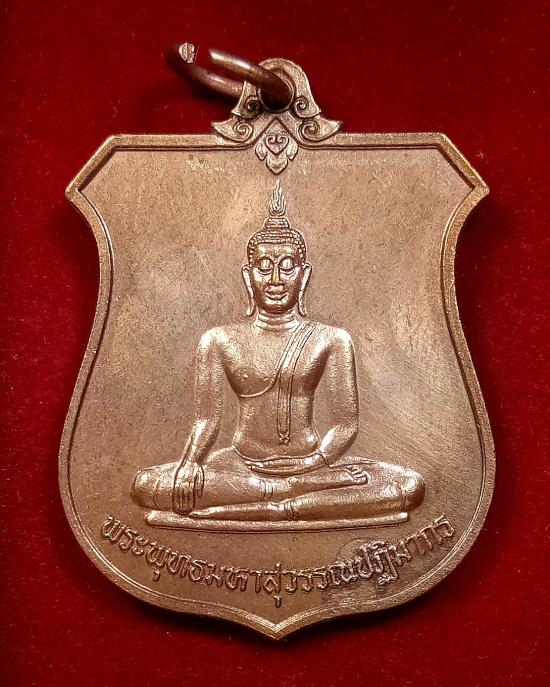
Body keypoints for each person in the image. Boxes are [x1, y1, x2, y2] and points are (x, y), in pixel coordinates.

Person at [132, 182, 424, 523]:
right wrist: (191, 462)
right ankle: (285, 495)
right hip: (241, 466)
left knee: (408, 486)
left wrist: (314, 463)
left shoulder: (331, 339)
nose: (275, 279)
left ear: (304, 275)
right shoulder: (219, 340)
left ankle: (277, 497)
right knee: (146, 485)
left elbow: (346, 424)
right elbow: (206, 420)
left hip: (313, 463)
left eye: (287, 266)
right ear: (248, 276)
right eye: (263, 266)